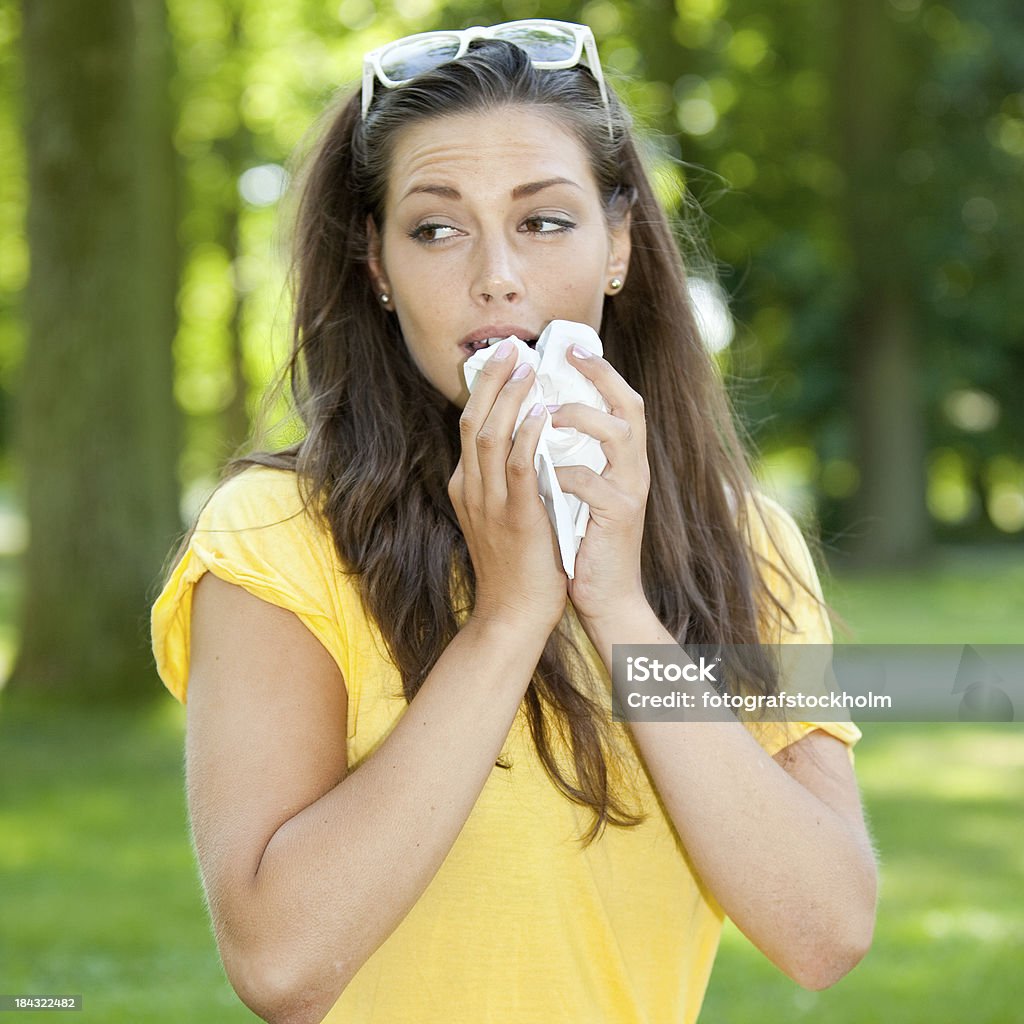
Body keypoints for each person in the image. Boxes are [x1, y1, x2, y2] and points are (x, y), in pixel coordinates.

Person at [151, 20, 877, 1024]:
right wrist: (506, 619)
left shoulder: (741, 539)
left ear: (617, 244)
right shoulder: (275, 537)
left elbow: (824, 930)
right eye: (436, 228)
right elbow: (279, 964)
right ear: (374, 262)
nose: (496, 274)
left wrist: (616, 603)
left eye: (544, 222)